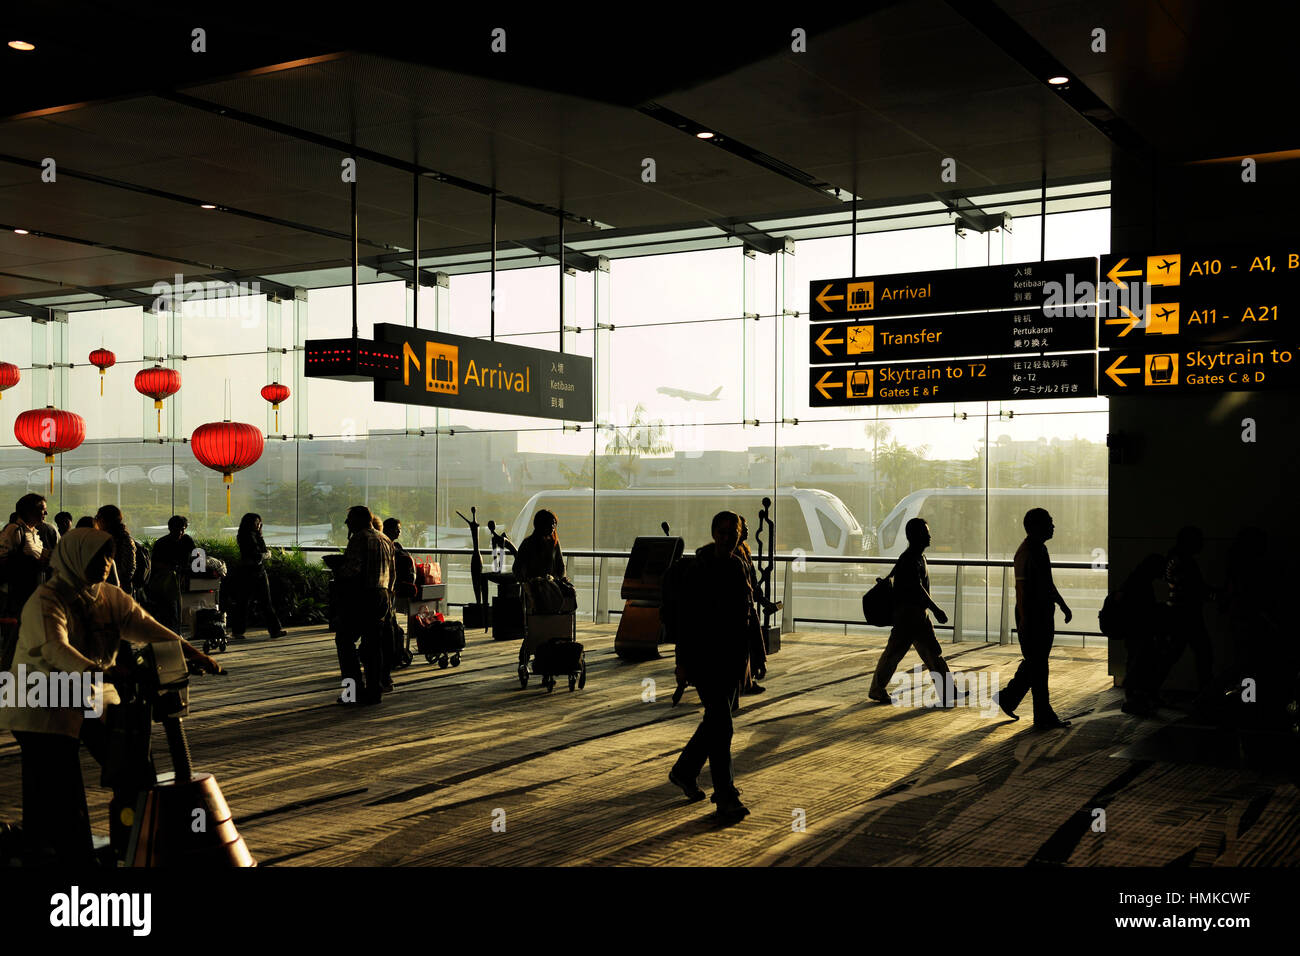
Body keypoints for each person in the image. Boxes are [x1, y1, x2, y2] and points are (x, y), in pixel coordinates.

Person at [0, 528, 222, 865]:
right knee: (58, 784)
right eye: (98, 556)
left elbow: (150, 628)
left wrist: (195, 655)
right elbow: (55, 648)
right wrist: (99, 670)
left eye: (109, 555)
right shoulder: (46, 600)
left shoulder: (109, 596)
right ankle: (68, 856)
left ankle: (129, 840)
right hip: (41, 698)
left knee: (132, 769)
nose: (107, 563)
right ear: (76, 558)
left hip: (91, 692)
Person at [669, 511, 752, 823]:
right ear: (714, 532)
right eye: (722, 531)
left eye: (733, 532)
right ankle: (725, 795)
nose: (727, 536)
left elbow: (744, 619)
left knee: (715, 722)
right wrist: (682, 663)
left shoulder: (737, 565)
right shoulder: (699, 568)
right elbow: (686, 620)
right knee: (722, 726)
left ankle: (684, 771)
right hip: (704, 660)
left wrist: (745, 662)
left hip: (729, 660)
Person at [867, 517, 959, 707]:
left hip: (913, 616)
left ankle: (948, 691)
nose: (929, 536)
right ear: (915, 536)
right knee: (918, 653)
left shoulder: (914, 558)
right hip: (909, 617)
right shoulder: (911, 560)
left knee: (921, 653)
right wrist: (936, 610)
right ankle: (877, 689)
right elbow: (918, 590)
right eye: (925, 532)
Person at [994, 508, 1072, 730]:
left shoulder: (1028, 549)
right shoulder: (1035, 551)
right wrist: (1060, 605)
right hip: (1035, 618)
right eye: (1049, 522)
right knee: (1039, 666)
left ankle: (1009, 699)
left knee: (1035, 664)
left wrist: (1060, 604)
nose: (1053, 526)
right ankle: (1041, 714)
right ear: (1037, 526)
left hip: (1032, 617)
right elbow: (1042, 586)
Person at [334, 505, 394, 705]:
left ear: (359, 520)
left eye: (349, 519)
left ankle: (352, 692)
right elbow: (392, 574)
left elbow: (352, 570)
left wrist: (338, 572)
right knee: (373, 646)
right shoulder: (385, 539)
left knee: (344, 641)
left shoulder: (359, 538)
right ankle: (374, 691)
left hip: (362, 596)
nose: (346, 523)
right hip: (382, 596)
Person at [1163, 525, 1219, 711]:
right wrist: (1218, 595)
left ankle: (1147, 691)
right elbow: (1196, 588)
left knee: (1172, 654)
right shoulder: (1185, 561)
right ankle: (1205, 695)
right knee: (1203, 654)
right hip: (1187, 615)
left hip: (1177, 614)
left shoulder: (1174, 559)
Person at [512, 509, 578, 668]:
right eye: (550, 524)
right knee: (536, 626)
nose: (553, 527)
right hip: (534, 592)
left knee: (546, 626)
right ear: (539, 525)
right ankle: (525, 660)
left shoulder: (554, 543)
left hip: (551, 589)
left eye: (555, 524)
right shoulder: (528, 544)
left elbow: (561, 566)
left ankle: (545, 659)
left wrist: (559, 581)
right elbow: (517, 569)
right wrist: (529, 582)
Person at [1116, 553, 1171, 717]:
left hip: (1133, 629)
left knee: (1135, 661)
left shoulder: (1135, 580)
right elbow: (1145, 610)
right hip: (1139, 630)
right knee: (1139, 663)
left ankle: (1134, 698)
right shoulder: (1142, 584)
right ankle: (1134, 700)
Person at [229, 513, 287, 640]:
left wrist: (263, 554)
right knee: (263, 602)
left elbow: (258, 554)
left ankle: (238, 631)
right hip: (255, 571)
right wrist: (265, 555)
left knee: (244, 602)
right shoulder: (250, 537)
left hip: (250, 571)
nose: (258, 525)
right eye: (256, 522)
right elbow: (260, 554)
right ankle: (274, 630)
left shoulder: (246, 536)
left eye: (259, 522)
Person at [1, 495, 53, 626]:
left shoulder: (34, 533)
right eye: (42, 509)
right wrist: (32, 563)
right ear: (29, 511)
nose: (46, 513)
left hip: (31, 595)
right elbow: (2, 559)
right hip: (16, 597)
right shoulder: (14, 530)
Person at [149, 515, 198, 632]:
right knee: (171, 608)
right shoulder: (163, 543)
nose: (181, 532)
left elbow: (195, 556)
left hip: (176, 579)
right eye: (178, 529)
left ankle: (174, 632)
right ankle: (173, 632)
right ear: (170, 528)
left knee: (174, 608)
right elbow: (155, 564)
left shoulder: (184, 540)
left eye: (183, 529)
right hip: (167, 580)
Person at [735, 517, 767, 697]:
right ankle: (743, 682)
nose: (747, 531)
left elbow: (752, 578)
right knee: (746, 642)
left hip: (747, 602)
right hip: (742, 605)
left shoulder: (743, 550)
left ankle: (746, 681)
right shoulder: (737, 554)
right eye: (744, 528)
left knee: (748, 642)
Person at [93, 505, 135, 595]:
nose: (96, 520)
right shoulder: (122, 538)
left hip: (118, 590)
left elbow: (127, 569)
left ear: (106, 520)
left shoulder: (121, 539)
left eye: (98, 517)